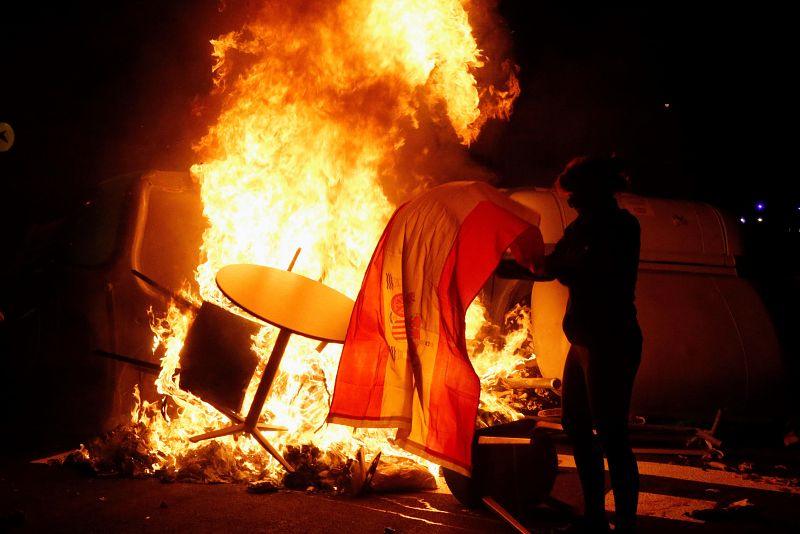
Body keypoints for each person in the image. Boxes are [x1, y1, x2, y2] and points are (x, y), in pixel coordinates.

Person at [500, 155, 642, 533]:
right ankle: (594, 516)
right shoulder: (582, 227)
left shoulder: (620, 227)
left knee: (611, 433)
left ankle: (626, 525)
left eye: (577, 195)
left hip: (610, 341)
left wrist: (545, 265)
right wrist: (500, 264)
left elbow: (582, 268)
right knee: (576, 425)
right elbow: (553, 265)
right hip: (582, 341)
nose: (572, 202)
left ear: (597, 190)